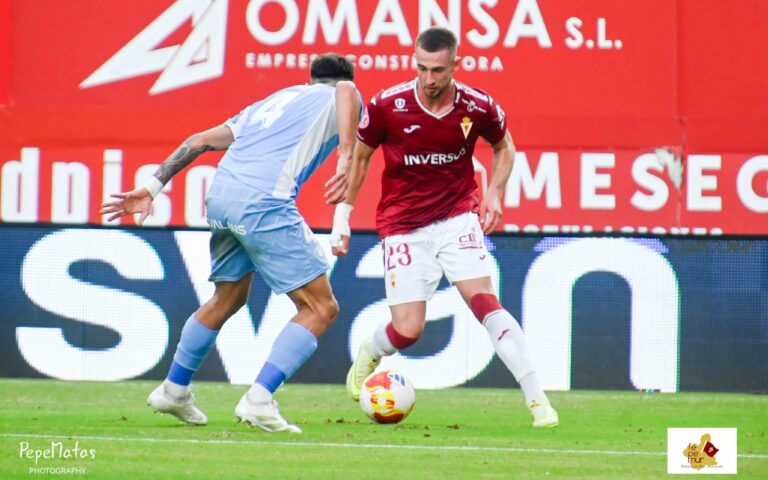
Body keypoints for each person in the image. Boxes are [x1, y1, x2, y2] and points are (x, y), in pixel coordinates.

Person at [101, 53, 360, 433]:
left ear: (309, 79)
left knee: (228, 298)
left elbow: (199, 141)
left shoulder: (272, 103)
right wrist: (346, 157)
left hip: (221, 198)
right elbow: (347, 90)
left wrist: (152, 186)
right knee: (321, 308)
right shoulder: (341, 94)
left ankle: (173, 390)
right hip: (263, 203)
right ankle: (259, 400)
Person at [326, 28, 558, 428]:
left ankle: (538, 400)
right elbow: (360, 159)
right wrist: (342, 218)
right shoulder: (387, 105)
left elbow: (505, 146)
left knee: (485, 302)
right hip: (403, 225)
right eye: (421, 68)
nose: (428, 78)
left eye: (437, 70)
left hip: (456, 217)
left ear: (455, 64)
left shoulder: (477, 106)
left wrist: (494, 193)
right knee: (408, 329)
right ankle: (371, 350)